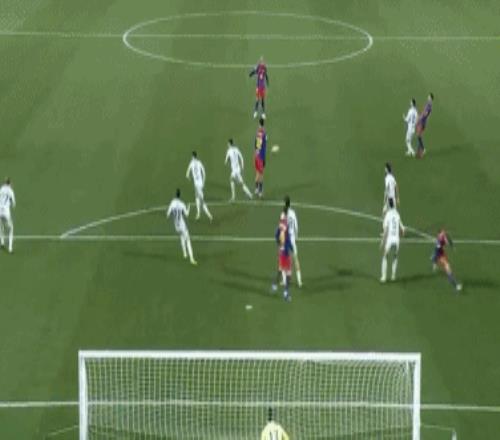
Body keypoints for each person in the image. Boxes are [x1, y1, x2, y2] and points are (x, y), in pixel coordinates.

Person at [166, 189, 196, 265]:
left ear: (175, 195)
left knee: (181, 236)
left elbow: (167, 215)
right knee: (188, 240)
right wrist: (188, 208)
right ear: (180, 195)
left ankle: (185, 254)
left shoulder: (172, 203)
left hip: (176, 226)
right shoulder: (182, 204)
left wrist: (173, 214)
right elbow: (187, 214)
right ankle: (191, 258)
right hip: (182, 225)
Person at [380, 198, 405, 282]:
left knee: (385, 255)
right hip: (396, 240)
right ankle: (393, 276)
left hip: (390, 239)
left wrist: (383, 241)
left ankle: (384, 277)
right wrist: (399, 236)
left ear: (388, 205)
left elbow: (386, 230)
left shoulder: (388, 215)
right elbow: (403, 230)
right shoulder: (397, 214)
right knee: (395, 256)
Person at [272, 209, 293, 301]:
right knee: (288, 273)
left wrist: (279, 244)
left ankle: (274, 284)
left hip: (281, 251)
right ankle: (286, 294)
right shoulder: (285, 226)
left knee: (281, 270)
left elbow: (276, 237)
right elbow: (286, 239)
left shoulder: (279, 227)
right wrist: (290, 247)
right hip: (285, 253)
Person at [186, 151, 213, 221]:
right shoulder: (199, 162)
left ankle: (209, 215)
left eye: (192, 156)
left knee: (201, 200)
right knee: (197, 198)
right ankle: (198, 213)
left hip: (197, 185)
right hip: (200, 183)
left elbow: (187, 174)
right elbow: (204, 173)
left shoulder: (191, 163)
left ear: (193, 157)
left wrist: (189, 178)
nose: (191, 157)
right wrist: (203, 182)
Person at [284, 196, 302, 287]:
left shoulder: (284, 213)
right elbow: (296, 225)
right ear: (290, 203)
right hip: (292, 238)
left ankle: (285, 280)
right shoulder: (293, 213)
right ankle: (299, 281)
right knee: (296, 258)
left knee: (286, 259)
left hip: (287, 238)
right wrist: (296, 236)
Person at [0, 178, 15, 253]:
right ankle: (10, 248)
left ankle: (2, 242)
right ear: (9, 184)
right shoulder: (11, 191)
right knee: (11, 228)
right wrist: (10, 203)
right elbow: (14, 203)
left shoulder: (1, 189)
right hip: (6, 212)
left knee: (1, 226)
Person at [416, 93, 434, 158]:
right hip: (423, 121)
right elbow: (424, 112)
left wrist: (420, 117)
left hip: (422, 122)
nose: (428, 97)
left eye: (429, 97)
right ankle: (420, 151)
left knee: (419, 136)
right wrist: (420, 115)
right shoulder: (428, 104)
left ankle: (422, 150)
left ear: (431, 98)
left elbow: (425, 114)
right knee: (419, 136)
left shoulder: (429, 105)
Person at [254, 118, 267, 198]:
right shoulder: (262, 132)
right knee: (261, 174)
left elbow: (257, 145)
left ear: (259, 123)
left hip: (257, 156)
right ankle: (260, 191)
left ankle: (256, 189)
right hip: (260, 156)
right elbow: (259, 145)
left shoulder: (259, 132)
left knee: (258, 173)